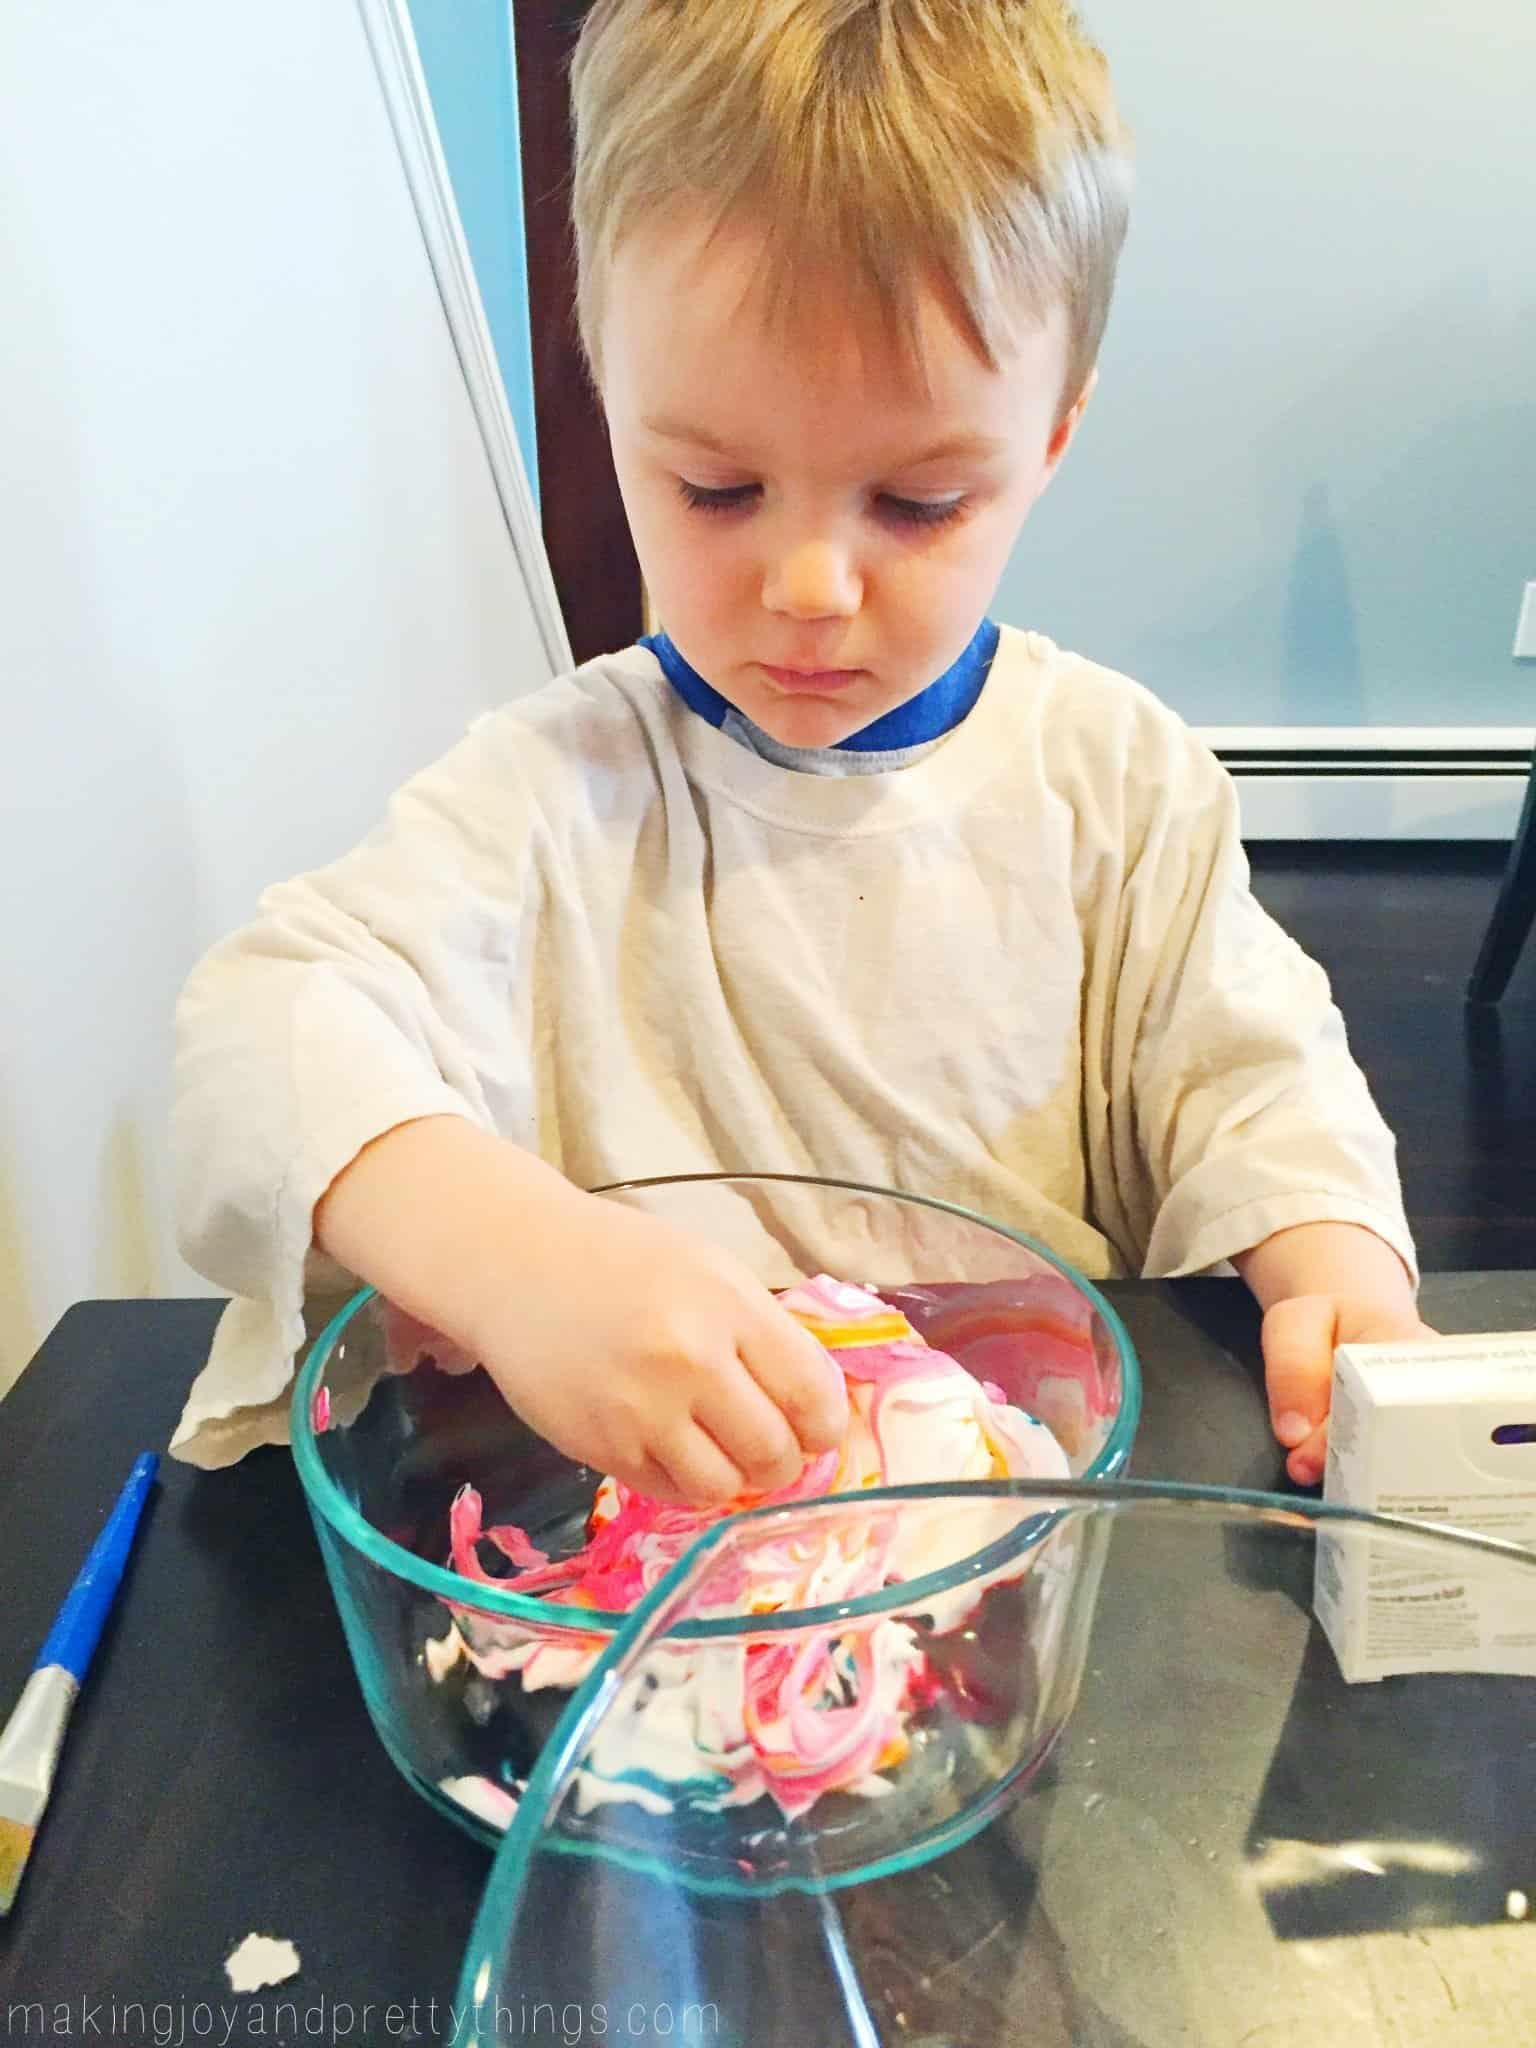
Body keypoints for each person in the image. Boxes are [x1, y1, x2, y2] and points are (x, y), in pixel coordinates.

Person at [169, 0, 1425, 1496]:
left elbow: (1252, 1076)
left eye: (915, 504)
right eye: (715, 487)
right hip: (661, 1539)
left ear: (1052, 440)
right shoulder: (549, 797)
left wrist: (1329, 1254)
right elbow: (254, 1043)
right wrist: (512, 1253)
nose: (811, 588)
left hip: (1022, 1506)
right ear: (610, 399)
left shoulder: (1119, 783)